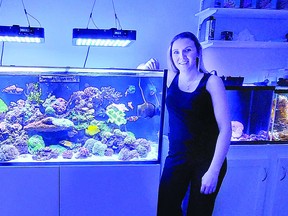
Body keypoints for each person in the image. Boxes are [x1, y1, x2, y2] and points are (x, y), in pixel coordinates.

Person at [140, 32, 231, 216]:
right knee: (165, 209)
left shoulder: (211, 82)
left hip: (207, 160)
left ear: (197, 52)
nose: (181, 57)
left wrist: (214, 171)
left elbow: (225, 129)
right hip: (177, 158)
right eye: (176, 52)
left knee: (199, 212)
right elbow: (141, 71)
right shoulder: (171, 79)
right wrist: (145, 66)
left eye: (187, 50)